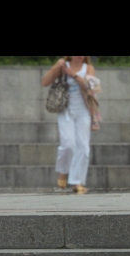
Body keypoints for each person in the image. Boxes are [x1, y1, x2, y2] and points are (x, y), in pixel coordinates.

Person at [41, 56, 98, 193]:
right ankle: (63, 171)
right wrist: (56, 68)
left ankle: (76, 182)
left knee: (83, 147)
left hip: (83, 111)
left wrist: (72, 74)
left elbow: (89, 86)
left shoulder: (88, 68)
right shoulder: (62, 66)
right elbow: (45, 82)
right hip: (65, 110)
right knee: (68, 144)